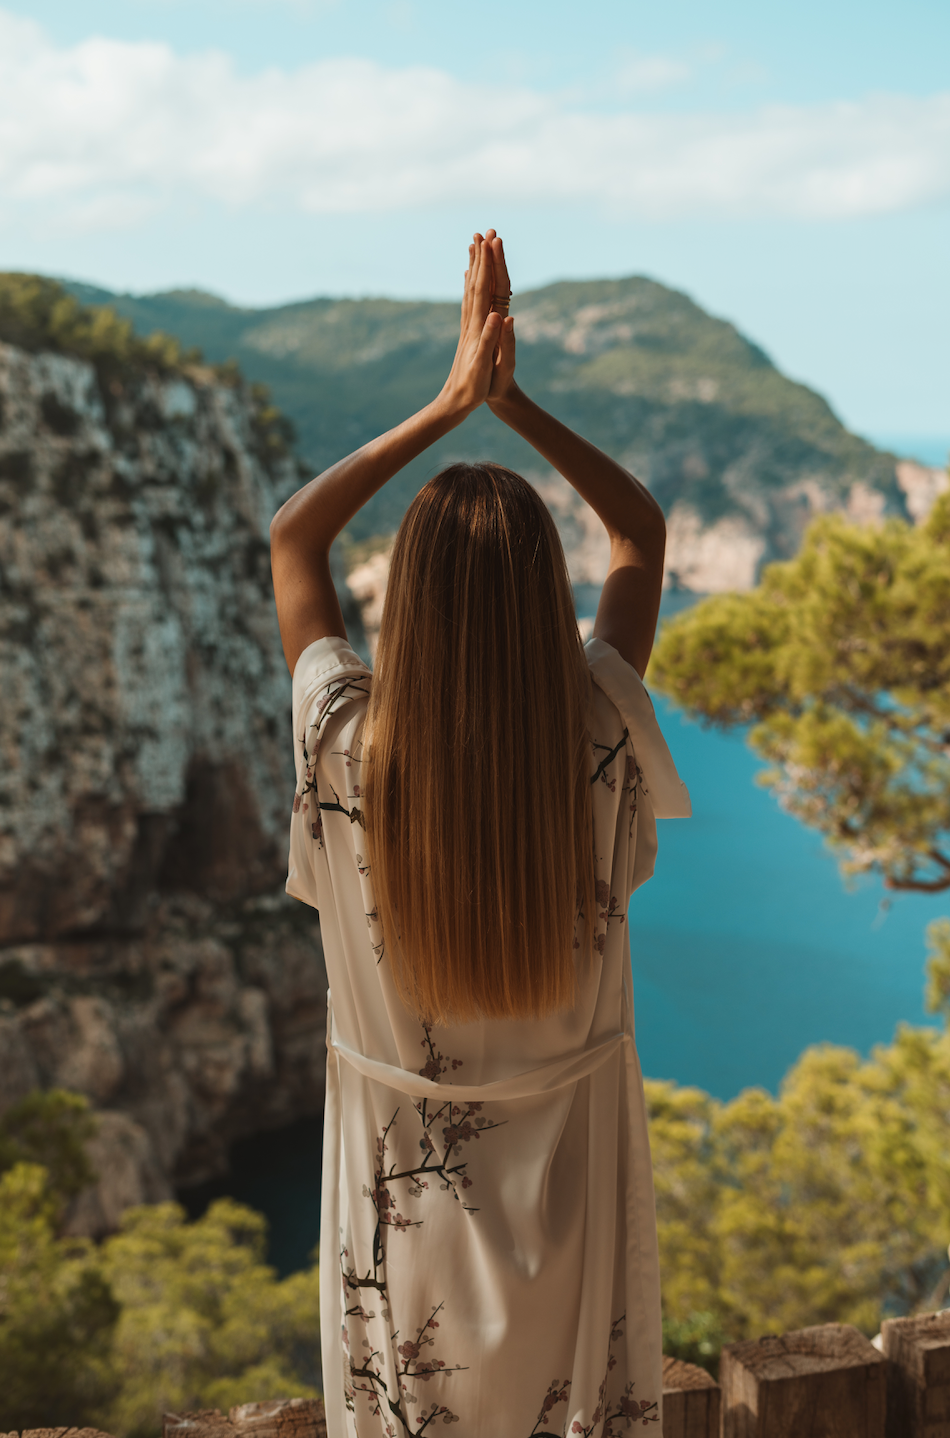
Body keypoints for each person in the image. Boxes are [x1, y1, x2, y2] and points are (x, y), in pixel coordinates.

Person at [270, 231, 690, 1438]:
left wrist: (449, 403)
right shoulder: (599, 740)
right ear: (534, 608)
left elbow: (296, 539)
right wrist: (519, 408)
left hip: (403, 1219)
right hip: (570, 1208)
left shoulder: (344, 747)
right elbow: (641, 538)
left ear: (407, 599)